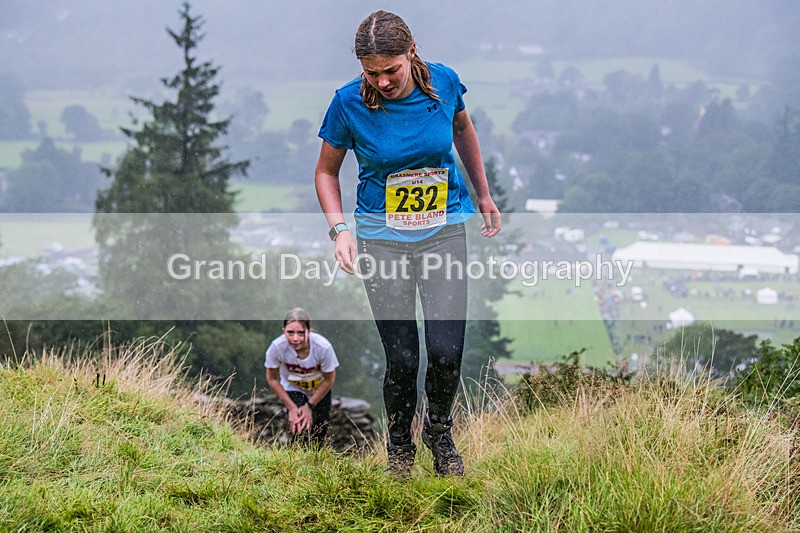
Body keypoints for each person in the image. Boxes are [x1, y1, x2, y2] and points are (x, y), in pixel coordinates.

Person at [314, 10, 501, 478]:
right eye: (371, 73)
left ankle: (440, 435)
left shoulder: (444, 83)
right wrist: (340, 231)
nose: (382, 81)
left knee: (445, 351)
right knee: (402, 357)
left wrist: (483, 193)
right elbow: (325, 172)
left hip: (443, 232)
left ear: (410, 53)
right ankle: (399, 446)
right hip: (383, 242)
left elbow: (462, 131)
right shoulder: (347, 104)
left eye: (390, 70)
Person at [265, 308, 339, 447]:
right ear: (283, 331)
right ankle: (295, 459)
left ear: (309, 331)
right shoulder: (276, 347)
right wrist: (292, 407)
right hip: (293, 387)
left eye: (300, 333)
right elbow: (272, 379)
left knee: (319, 426)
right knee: (300, 425)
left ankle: (316, 460)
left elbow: (329, 379)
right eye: (290, 333)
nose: (295, 338)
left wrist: (309, 405)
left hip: (319, 388)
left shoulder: (323, 348)